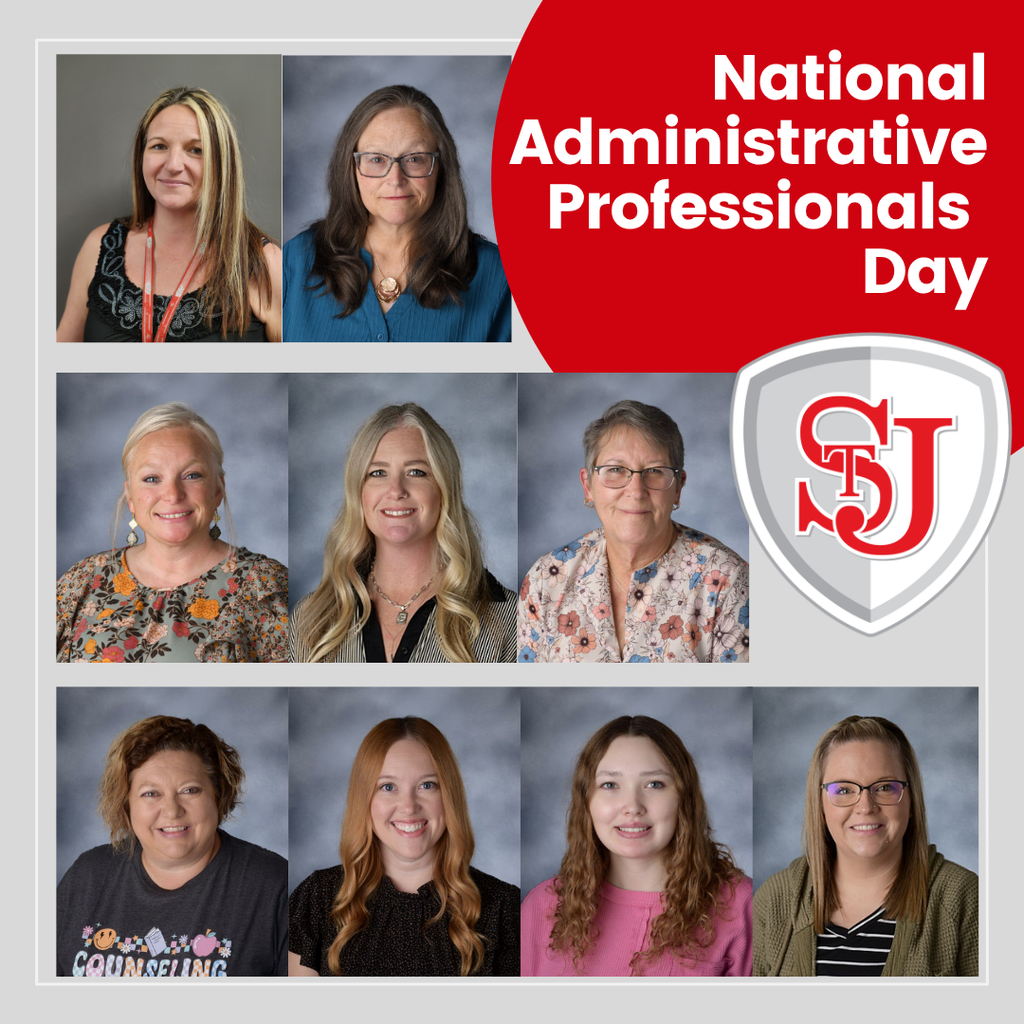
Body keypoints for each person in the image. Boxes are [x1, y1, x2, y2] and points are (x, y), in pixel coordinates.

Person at [518, 399, 749, 663]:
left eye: (655, 471)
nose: (636, 491)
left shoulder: (728, 582)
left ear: (678, 488)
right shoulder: (545, 580)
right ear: (588, 486)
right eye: (615, 470)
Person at [56, 402, 289, 662]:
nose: (172, 495)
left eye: (191, 475)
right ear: (130, 496)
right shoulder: (79, 583)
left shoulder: (266, 588)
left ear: (217, 490)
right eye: (152, 478)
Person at [57, 715, 287, 977]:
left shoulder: (274, 885)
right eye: (151, 793)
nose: (172, 811)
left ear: (218, 795)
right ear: (127, 803)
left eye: (190, 790)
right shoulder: (86, 877)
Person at [521, 715, 751, 976]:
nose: (632, 806)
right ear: (587, 801)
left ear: (683, 799)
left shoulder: (742, 907)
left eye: (654, 784)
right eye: (610, 785)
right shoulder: (542, 907)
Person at [288, 717, 520, 976]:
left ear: (449, 795)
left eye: (427, 785)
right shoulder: (317, 898)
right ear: (364, 798)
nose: (409, 807)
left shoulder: (505, 908)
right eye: (388, 787)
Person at [753, 715, 979, 976]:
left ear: (912, 801)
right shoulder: (773, 902)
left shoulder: (964, 899)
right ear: (820, 804)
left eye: (884, 787)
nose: (865, 807)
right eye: (844, 790)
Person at [290, 402, 515, 663]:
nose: (396, 490)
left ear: (444, 488)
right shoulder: (311, 618)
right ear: (358, 492)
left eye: (416, 472)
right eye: (378, 473)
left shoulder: (508, 620)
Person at [282, 85, 510, 343]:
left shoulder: (500, 274)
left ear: (441, 169)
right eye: (376, 159)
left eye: (415, 159)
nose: (395, 179)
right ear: (351, 169)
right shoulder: (294, 261)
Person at [57, 86, 282, 342]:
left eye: (195, 150)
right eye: (159, 146)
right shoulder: (99, 247)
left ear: (222, 163)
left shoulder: (265, 264)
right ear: (141, 156)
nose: (173, 165)